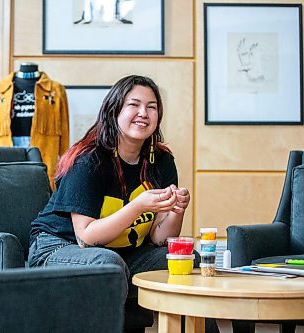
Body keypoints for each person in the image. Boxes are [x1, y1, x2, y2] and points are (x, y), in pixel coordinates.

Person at [28, 75, 219, 332]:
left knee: (184, 259)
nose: (143, 113)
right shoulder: (89, 160)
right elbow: (86, 238)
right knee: (108, 263)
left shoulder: (161, 161)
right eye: (134, 105)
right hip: (59, 248)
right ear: (114, 110)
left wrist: (176, 209)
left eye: (152, 107)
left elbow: (160, 237)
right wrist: (138, 206)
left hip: (121, 251)